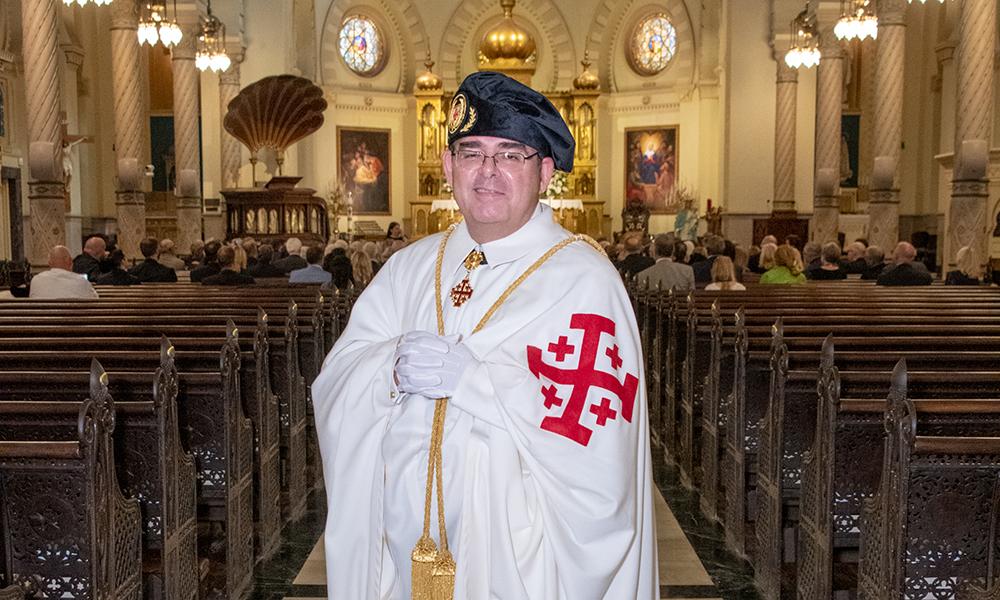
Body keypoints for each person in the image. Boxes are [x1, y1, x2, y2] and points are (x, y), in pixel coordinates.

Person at [311, 71, 656, 599]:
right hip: (404, 551)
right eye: (472, 152)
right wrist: (390, 368)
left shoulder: (586, 282)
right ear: (449, 166)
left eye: (511, 154)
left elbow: (598, 453)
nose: (488, 171)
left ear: (544, 172)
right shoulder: (410, 267)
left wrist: (476, 382)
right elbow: (336, 377)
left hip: (520, 561)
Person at [29, 245, 98, 299]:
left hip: (44, 317)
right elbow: (94, 301)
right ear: (70, 261)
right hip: (73, 317)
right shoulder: (81, 281)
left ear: (49, 263)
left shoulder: (36, 280)